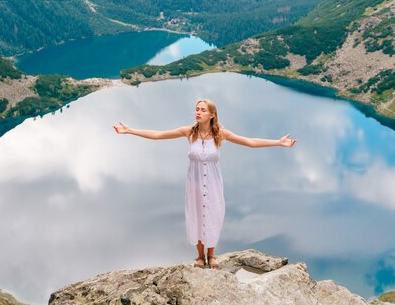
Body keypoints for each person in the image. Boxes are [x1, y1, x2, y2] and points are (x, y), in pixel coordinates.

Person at [113, 99, 296, 269]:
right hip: (194, 183)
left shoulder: (220, 134)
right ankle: (200, 257)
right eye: (197, 109)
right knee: (196, 215)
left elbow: (249, 142)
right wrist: (130, 130)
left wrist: (278, 143)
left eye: (202, 110)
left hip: (214, 183)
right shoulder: (189, 132)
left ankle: (212, 255)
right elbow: (158, 135)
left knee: (213, 215)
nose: (198, 112)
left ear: (212, 115)